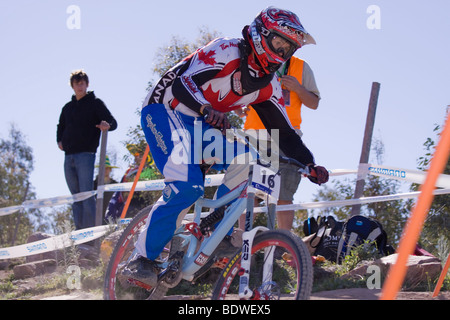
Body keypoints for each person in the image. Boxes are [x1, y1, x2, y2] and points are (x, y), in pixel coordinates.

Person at [124, 6, 329, 287]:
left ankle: (211, 226)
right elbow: (184, 85)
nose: (282, 54)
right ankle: (141, 258)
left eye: (288, 49)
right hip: (165, 110)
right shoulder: (227, 50)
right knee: (187, 186)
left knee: (251, 161)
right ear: (262, 35)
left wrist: (309, 164)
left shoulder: (269, 84)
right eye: (279, 43)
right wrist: (204, 107)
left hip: (201, 125)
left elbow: (285, 133)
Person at [238, 55, 321, 230]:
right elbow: (236, 94)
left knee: (284, 196)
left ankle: (282, 247)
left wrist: (298, 88)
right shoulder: (256, 60)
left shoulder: (301, 66)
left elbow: (314, 103)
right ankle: (241, 246)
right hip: (255, 137)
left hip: (286, 141)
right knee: (248, 194)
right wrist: (239, 107)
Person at [57, 70, 118, 230]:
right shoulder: (67, 108)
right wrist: (59, 140)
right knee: (76, 197)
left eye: (82, 83)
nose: (79, 86)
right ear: (72, 86)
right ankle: (79, 236)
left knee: (86, 194)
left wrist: (107, 125)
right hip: (68, 156)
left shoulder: (95, 103)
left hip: (86, 154)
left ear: (87, 84)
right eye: (76, 83)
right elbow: (60, 126)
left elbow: (112, 121)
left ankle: (90, 235)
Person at [93, 155, 119, 220]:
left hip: (111, 216)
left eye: (107, 168)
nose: (105, 170)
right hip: (96, 217)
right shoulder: (93, 185)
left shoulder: (116, 185)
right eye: (103, 168)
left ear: (110, 169)